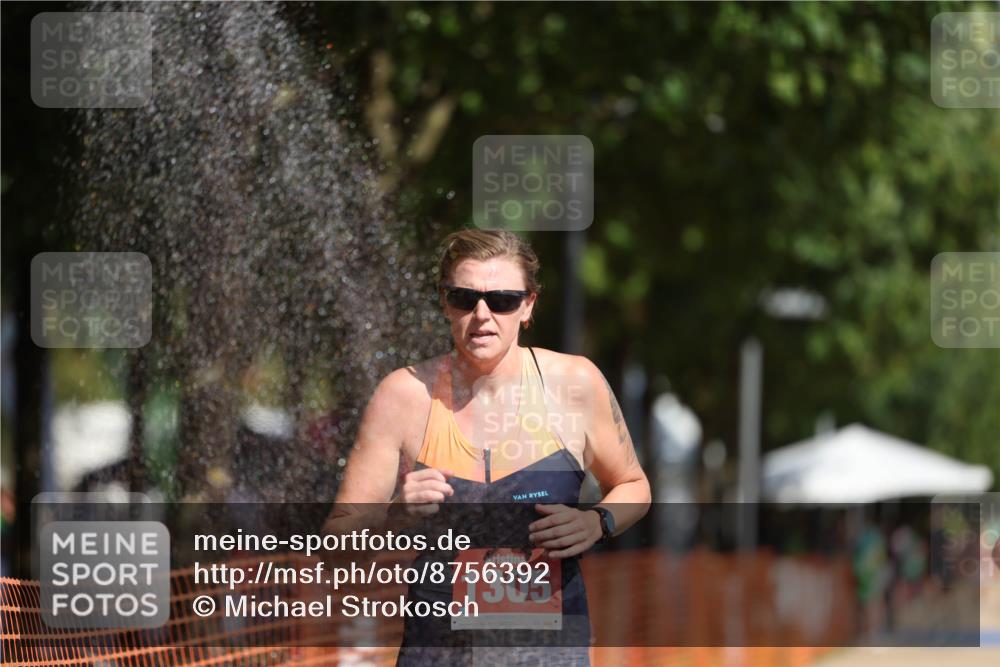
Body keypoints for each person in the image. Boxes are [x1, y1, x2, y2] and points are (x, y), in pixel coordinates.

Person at [331, 229, 651, 666]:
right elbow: (338, 548)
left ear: (528, 305)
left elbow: (634, 485)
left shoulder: (576, 384)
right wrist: (396, 514)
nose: (482, 315)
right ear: (444, 302)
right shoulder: (403, 396)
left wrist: (597, 522)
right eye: (464, 298)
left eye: (502, 300)